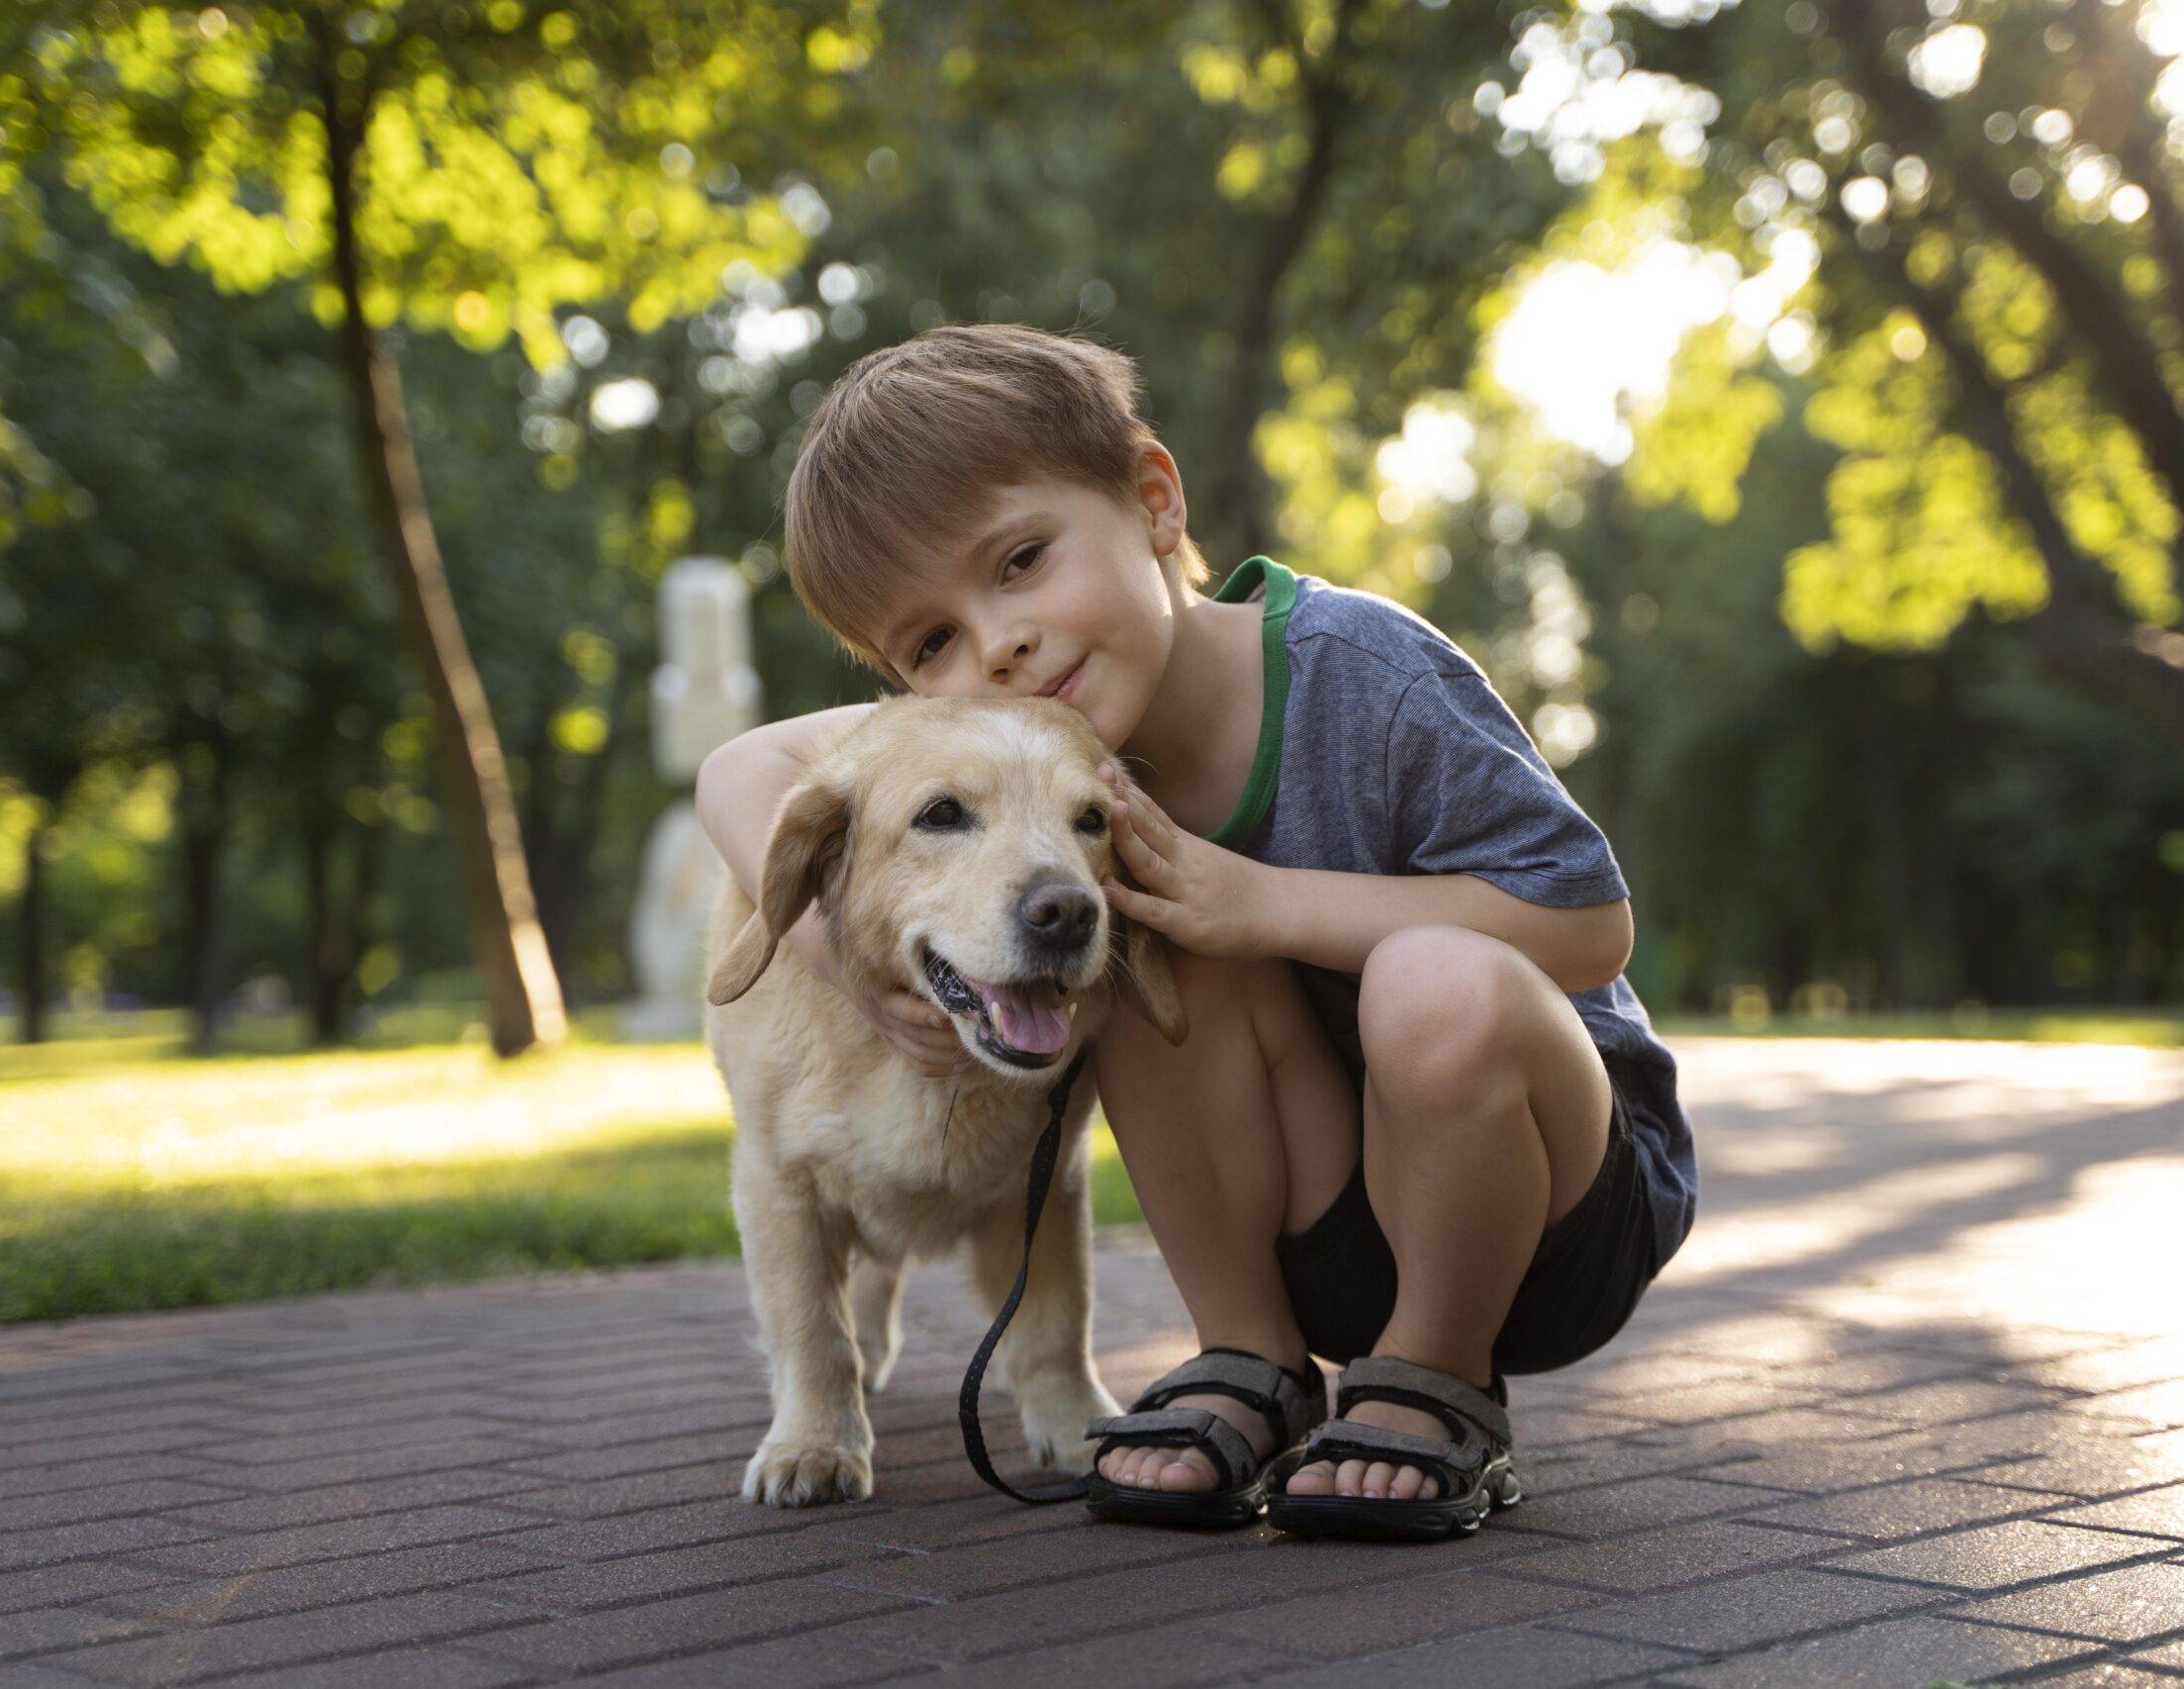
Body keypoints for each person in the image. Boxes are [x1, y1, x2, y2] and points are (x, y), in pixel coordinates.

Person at [696, 323, 1695, 1540]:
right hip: (1325, 1222)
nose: (994, 645)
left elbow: (1589, 924)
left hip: (1556, 1212)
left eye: (1018, 561)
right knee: (1139, 945)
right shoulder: (1040, 760)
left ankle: (1436, 1382)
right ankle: (1253, 1359)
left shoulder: (1363, 672)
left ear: (1154, 501)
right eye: (931, 644)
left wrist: (1263, 901)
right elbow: (742, 767)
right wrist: (845, 972)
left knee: (1427, 981)